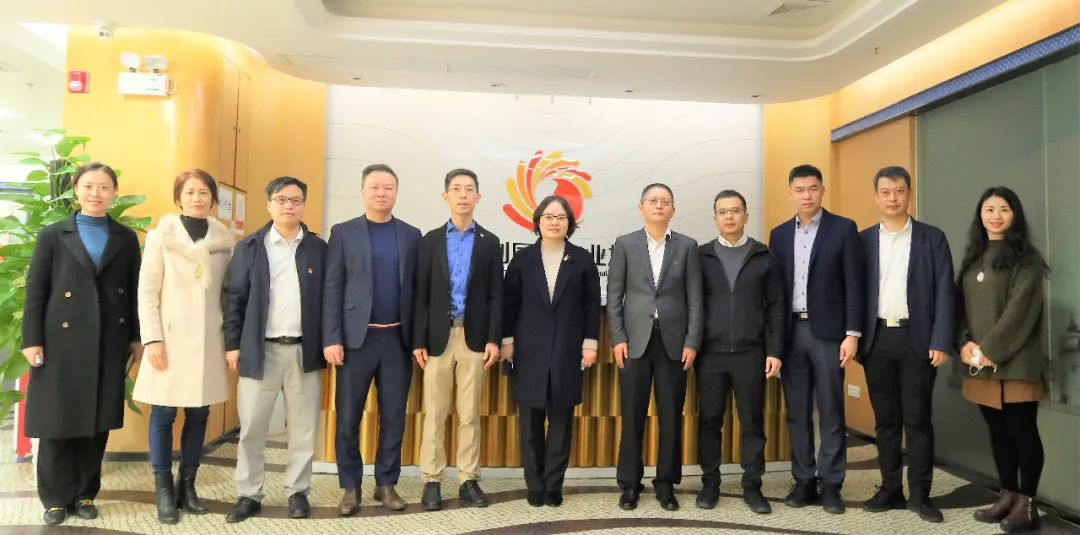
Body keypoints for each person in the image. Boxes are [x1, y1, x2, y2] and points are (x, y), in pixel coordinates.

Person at [21, 162, 143, 526]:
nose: (95, 194)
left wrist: (136, 337)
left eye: (104, 187)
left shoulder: (125, 238)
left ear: (114, 192)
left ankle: (86, 494)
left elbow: (134, 291)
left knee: (96, 422)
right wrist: (32, 339)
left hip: (108, 340)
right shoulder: (53, 235)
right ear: (75, 190)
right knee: (57, 421)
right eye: (88, 186)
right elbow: (36, 290)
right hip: (59, 342)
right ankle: (55, 499)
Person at [222, 177, 326, 523]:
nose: (288, 206)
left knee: (304, 428)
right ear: (269, 204)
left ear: (303, 205)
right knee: (252, 426)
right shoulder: (250, 247)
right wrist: (232, 344)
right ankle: (248, 494)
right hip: (258, 350)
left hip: (303, 351)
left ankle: (298, 491)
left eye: (295, 200)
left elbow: (329, 299)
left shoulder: (318, 248)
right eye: (281, 200)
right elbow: (233, 298)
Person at [133, 169, 234, 524]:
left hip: (208, 338)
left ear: (213, 198)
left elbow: (229, 293)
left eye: (203, 192)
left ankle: (187, 486)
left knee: (199, 414)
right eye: (189, 192)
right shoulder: (161, 237)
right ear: (179, 198)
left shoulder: (224, 240)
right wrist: (153, 339)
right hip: (170, 338)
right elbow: (147, 291)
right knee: (163, 413)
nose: (196, 198)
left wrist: (230, 339)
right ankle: (163, 489)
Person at [858, 166, 954, 523]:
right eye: (885, 192)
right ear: (876, 197)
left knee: (918, 419)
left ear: (909, 194)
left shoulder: (932, 238)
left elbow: (945, 291)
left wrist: (941, 339)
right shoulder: (863, 240)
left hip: (919, 339)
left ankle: (921, 494)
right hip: (877, 338)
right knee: (885, 420)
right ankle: (890, 489)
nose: (893, 198)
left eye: (899, 191)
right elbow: (854, 292)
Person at [323, 163, 421, 514]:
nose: (382, 193)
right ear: (363, 192)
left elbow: (417, 291)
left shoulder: (411, 235)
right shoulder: (343, 232)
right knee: (348, 417)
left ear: (396, 193)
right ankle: (350, 487)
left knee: (394, 416)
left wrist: (418, 339)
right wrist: (331, 337)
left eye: (388, 188)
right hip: (355, 342)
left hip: (397, 341)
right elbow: (332, 286)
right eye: (375, 187)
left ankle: (386, 484)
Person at [768, 164, 863, 514]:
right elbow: (776, 292)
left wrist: (852, 333)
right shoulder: (779, 235)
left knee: (831, 409)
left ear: (823, 190)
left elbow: (854, 283)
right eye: (800, 189)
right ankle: (804, 479)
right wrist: (774, 341)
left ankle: (832, 483)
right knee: (797, 411)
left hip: (828, 335)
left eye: (812, 188)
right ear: (790, 193)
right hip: (791, 333)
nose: (806, 195)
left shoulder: (844, 228)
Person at [501, 195, 601, 508]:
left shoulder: (581, 259)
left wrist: (590, 343)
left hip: (567, 350)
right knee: (530, 423)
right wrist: (507, 341)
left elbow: (591, 306)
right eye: (548, 216)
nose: (554, 222)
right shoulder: (522, 259)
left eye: (560, 217)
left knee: (561, 423)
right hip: (528, 350)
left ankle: (553, 485)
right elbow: (509, 304)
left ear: (569, 223)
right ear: (538, 222)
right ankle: (535, 485)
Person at [608, 183, 702, 512]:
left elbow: (695, 299)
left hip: (674, 343)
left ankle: (666, 484)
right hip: (634, 342)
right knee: (632, 415)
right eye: (653, 201)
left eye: (665, 202)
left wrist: (692, 340)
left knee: (671, 417)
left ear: (673, 209)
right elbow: (614, 296)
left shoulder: (688, 246)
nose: (659, 206)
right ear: (641, 207)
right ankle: (629, 484)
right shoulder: (625, 244)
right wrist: (618, 337)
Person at [412, 169, 502, 510]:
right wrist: (418, 339)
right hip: (438, 337)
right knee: (435, 413)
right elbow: (420, 294)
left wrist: (493, 338)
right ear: (445, 196)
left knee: (469, 414)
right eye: (456, 189)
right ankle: (432, 480)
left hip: (474, 338)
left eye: (469, 189)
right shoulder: (430, 240)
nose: (463, 195)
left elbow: (496, 295)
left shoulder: (489, 241)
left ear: (478, 196)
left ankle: (467, 478)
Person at [958, 186, 1046, 532]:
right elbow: (959, 306)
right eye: (989, 209)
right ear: (980, 215)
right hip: (979, 364)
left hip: (1016, 362)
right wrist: (964, 343)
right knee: (998, 433)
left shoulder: (1027, 259)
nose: (996, 216)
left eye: (1004, 209)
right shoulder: (973, 257)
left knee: (1022, 431)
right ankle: (1007, 495)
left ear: (1015, 215)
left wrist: (988, 351)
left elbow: (1020, 309)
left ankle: (1027, 504)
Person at [694, 190, 783, 514]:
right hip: (711, 354)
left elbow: (776, 306)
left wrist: (775, 350)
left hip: (751, 353)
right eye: (723, 212)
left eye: (735, 211)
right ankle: (710, 484)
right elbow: (693, 305)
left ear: (746, 215)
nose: (729, 217)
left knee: (752, 423)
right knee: (709, 421)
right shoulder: (701, 256)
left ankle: (752, 487)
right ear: (715, 218)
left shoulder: (764, 255)